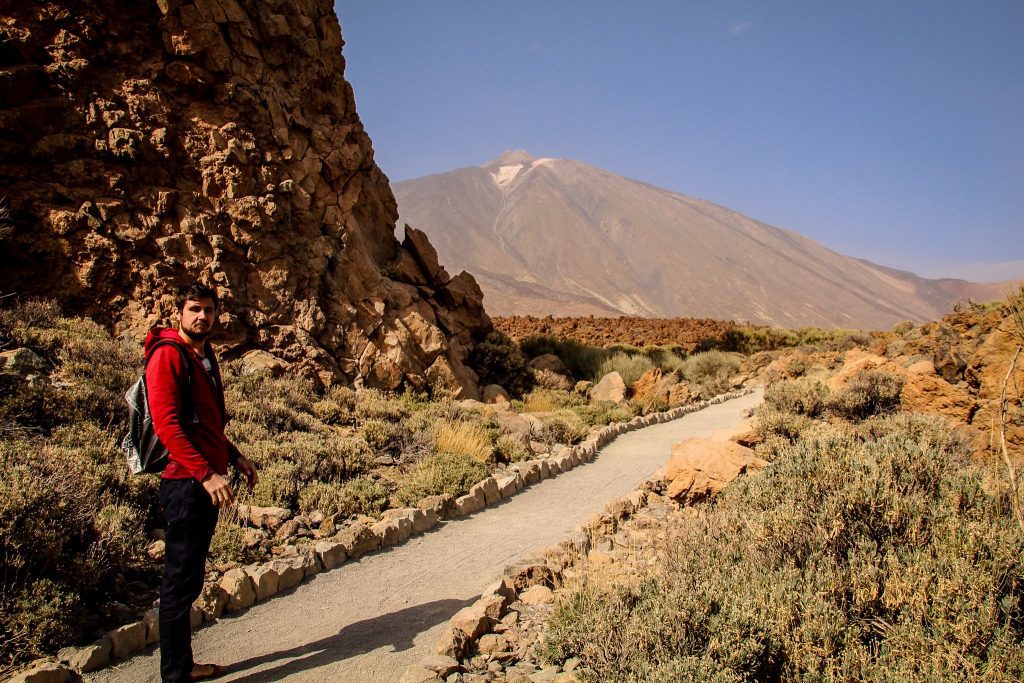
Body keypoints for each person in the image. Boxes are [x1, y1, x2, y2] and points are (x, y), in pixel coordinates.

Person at [145, 283, 258, 682]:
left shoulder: (202, 354)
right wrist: (206, 474)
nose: (202, 317)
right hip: (185, 484)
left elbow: (203, 423)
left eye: (208, 310)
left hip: (202, 479)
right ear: (179, 312)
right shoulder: (167, 357)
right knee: (178, 583)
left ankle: (184, 666)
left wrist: (232, 455)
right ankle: (175, 674)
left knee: (189, 578)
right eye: (194, 309)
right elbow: (169, 426)